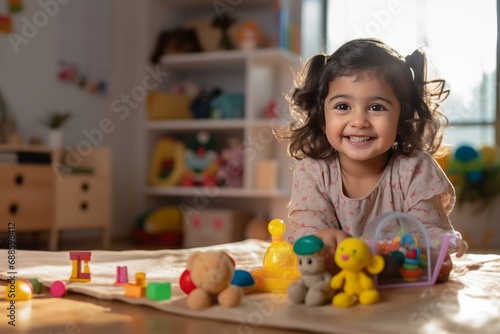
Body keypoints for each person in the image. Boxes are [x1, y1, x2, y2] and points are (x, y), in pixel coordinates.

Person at [277, 38, 468, 280]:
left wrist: (438, 248)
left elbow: (429, 233)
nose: (359, 121)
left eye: (377, 107)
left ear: (402, 117)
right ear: (322, 115)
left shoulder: (415, 169)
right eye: (343, 106)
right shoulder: (313, 171)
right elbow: (307, 237)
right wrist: (321, 239)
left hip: (398, 286)